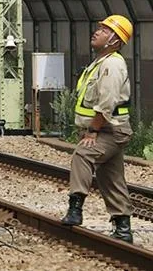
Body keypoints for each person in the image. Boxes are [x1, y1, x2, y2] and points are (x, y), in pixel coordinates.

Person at [61, 15, 134, 244]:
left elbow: (107, 103)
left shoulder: (112, 64)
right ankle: (123, 229)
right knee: (111, 177)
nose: (97, 31)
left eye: (104, 30)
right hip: (107, 130)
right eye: (100, 28)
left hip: (109, 131)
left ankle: (76, 208)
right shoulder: (99, 63)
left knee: (83, 155)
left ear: (115, 39)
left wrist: (92, 131)